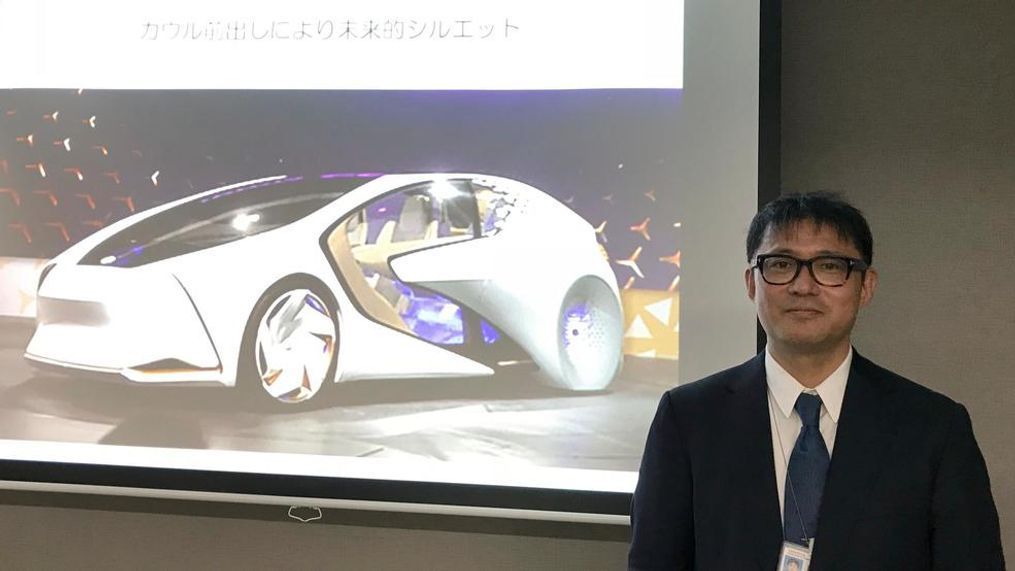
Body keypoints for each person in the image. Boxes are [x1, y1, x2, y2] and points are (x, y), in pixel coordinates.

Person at [628, 193, 1005, 570]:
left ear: (866, 286)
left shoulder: (934, 428)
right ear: (751, 283)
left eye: (828, 266)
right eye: (780, 264)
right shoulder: (689, 418)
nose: (803, 286)